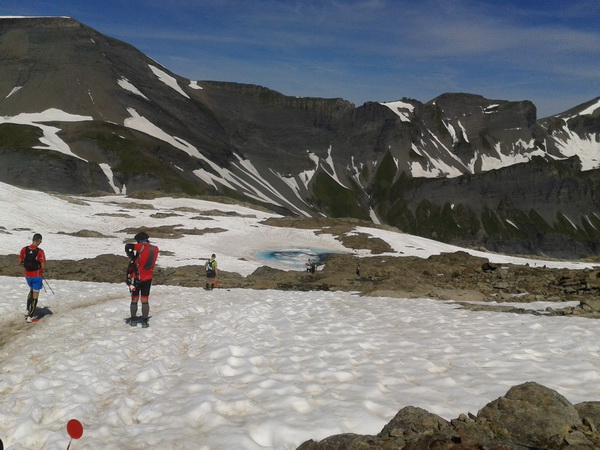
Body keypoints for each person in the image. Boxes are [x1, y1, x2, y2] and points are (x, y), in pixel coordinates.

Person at [125, 232, 159, 328]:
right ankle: (144, 321)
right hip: (148, 277)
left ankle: (133, 320)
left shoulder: (140, 246)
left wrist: (130, 255)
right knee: (145, 300)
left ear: (139, 240)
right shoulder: (155, 249)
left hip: (136, 277)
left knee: (134, 299)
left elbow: (128, 246)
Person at [19, 233, 47, 322]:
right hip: (37, 275)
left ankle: (27, 310)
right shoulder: (40, 252)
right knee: (35, 295)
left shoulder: (24, 249)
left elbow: (19, 263)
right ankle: (30, 317)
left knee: (31, 291)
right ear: (39, 241)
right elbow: (43, 266)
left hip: (28, 275)